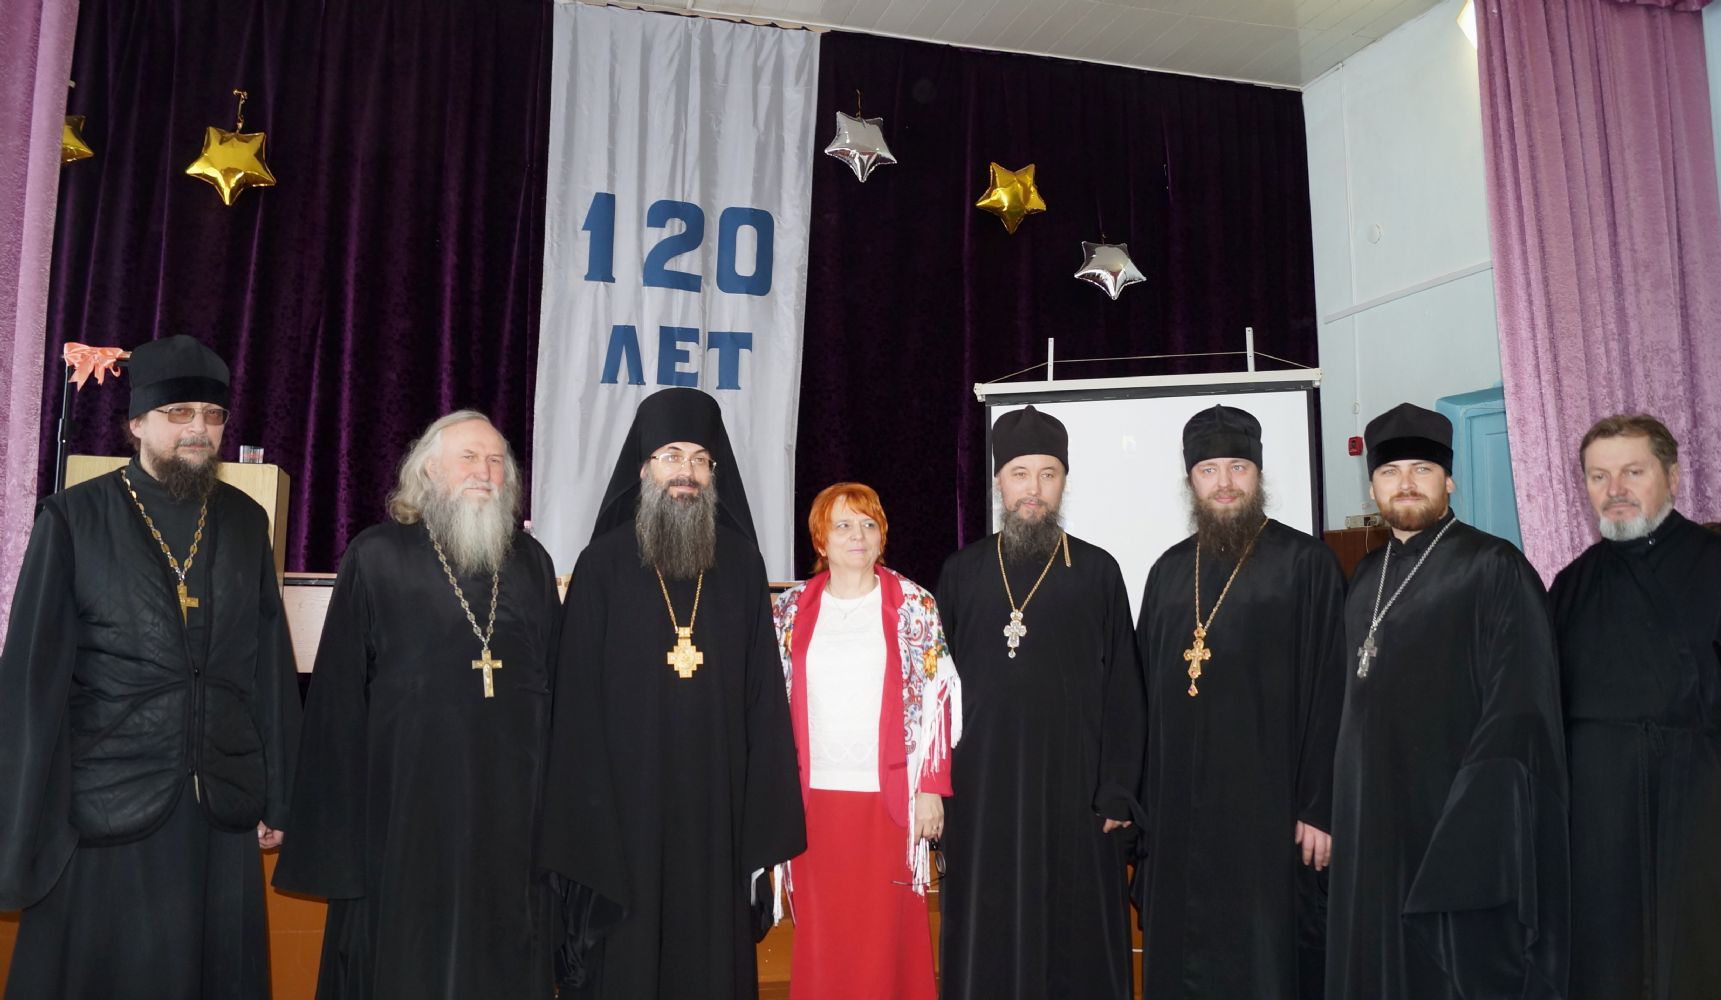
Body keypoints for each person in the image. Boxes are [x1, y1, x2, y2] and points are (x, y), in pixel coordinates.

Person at [0, 335, 301, 999]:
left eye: (213, 415)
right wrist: (22, 820)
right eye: (179, 413)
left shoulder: (245, 523)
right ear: (136, 423)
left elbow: (270, 671)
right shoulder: (74, 519)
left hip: (219, 802)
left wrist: (280, 793)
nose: (199, 429)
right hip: (110, 805)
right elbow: (32, 682)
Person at [271, 411, 559, 998]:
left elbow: (556, 690)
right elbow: (338, 701)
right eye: (468, 458)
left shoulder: (532, 563)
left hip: (510, 815)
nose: (485, 472)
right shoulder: (377, 555)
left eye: (496, 461)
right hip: (405, 810)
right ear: (428, 471)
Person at [536, 387, 804, 999]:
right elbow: (575, 708)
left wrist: (761, 825)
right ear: (643, 469)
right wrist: (588, 820)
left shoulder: (742, 566)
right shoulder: (601, 566)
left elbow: (764, 702)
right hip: (624, 816)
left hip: (718, 812)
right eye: (672, 456)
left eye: (700, 460)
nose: (687, 472)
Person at [1326, 402, 1569, 1000]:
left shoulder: (1494, 566)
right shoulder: (1365, 575)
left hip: (1449, 820)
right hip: (1368, 821)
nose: (1405, 483)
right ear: (1373, 487)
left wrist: (1473, 817)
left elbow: (1521, 709)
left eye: (1422, 470)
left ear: (1449, 480)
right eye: (1390, 472)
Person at [1134, 404, 1347, 1000]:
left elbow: (1334, 691)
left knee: (1264, 959)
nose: (1224, 482)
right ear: (1191, 481)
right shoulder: (1168, 572)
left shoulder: (1306, 564)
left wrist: (1321, 805)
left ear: (1258, 474)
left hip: (1270, 813)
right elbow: (1143, 698)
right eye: (1209, 470)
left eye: (1237, 468)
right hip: (1180, 814)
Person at [933, 405, 1145, 1000]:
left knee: (1074, 939)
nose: (1034, 488)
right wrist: (936, 787)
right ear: (999, 482)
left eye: (1048, 474)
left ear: (1064, 482)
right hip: (981, 795)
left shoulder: (1098, 571)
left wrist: (1117, 790)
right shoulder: (962, 572)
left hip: (1075, 793)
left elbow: (1125, 689)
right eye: (1020, 474)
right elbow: (934, 691)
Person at [1549, 413, 1721, 999]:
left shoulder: (1714, 564)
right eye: (1599, 476)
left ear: (1672, 477)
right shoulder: (1570, 585)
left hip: (1698, 801)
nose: (1615, 489)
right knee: (1605, 959)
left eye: (1633, 472)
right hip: (1598, 813)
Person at [770, 482, 960, 1000]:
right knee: (823, 936)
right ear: (821, 539)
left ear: (882, 537)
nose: (858, 535)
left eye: (868, 524)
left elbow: (939, 701)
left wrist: (931, 788)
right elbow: (769, 703)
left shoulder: (915, 604)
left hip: (889, 802)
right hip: (813, 801)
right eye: (843, 525)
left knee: (884, 939)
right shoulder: (790, 610)